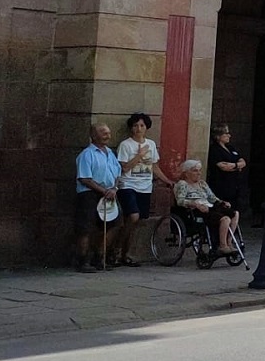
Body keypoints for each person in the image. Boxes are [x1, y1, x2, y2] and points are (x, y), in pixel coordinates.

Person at [114, 112, 170, 267]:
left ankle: (128, 252)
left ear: (147, 128)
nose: (139, 128)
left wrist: (168, 181)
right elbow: (124, 168)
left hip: (145, 186)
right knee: (133, 216)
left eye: (142, 125)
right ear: (131, 128)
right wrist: (139, 156)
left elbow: (154, 166)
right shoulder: (126, 145)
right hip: (128, 184)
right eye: (135, 126)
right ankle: (117, 249)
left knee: (139, 221)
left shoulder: (151, 144)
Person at [75, 123, 122, 273]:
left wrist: (114, 188)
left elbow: (117, 174)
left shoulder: (111, 153)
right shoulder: (87, 154)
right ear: (93, 136)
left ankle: (100, 257)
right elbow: (85, 178)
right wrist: (103, 190)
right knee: (86, 227)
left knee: (114, 224)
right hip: (90, 193)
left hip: (109, 193)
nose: (107, 135)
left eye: (108, 133)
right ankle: (83, 260)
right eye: (103, 133)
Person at [174, 159, 240, 255]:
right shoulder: (182, 184)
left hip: (210, 207)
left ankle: (229, 242)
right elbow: (180, 201)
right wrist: (195, 204)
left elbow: (212, 197)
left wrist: (222, 202)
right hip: (196, 211)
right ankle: (222, 245)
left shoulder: (202, 184)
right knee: (225, 219)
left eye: (199, 170)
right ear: (186, 173)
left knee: (235, 213)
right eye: (195, 170)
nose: (199, 173)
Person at [207, 124, 247, 217]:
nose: (229, 136)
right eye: (226, 133)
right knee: (224, 210)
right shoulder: (215, 149)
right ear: (218, 136)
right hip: (221, 185)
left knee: (235, 210)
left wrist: (234, 165)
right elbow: (223, 167)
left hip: (234, 186)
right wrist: (237, 166)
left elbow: (243, 161)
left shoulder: (230, 148)